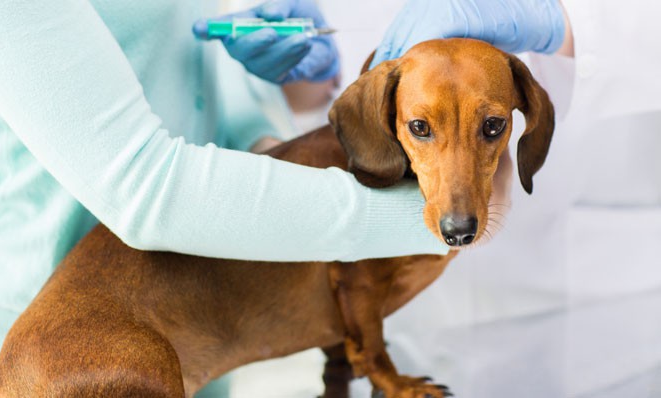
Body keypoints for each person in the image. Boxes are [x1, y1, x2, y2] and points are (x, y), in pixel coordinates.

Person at [0, 0, 456, 396]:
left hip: (179, 323)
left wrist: (271, 112)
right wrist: (443, 215)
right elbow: (145, 188)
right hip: (37, 361)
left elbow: (192, 66)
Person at [198, 0, 661, 396]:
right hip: (407, 316)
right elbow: (324, 110)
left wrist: (563, 21)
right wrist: (304, 77)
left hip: (594, 319)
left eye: (492, 127)